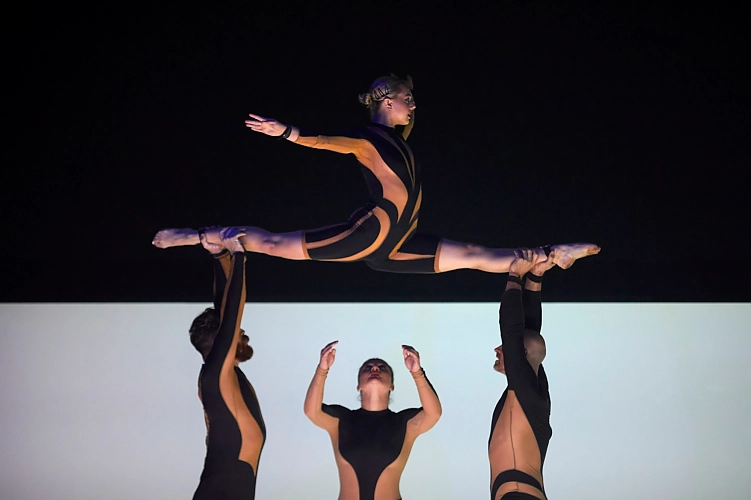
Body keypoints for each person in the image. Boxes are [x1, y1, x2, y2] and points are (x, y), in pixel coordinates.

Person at [152, 75, 600, 273]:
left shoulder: (400, 140)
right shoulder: (368, 138)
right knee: (270, 244)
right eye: (407, 99)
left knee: (473, 254)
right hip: (368, 235)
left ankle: (551, 253)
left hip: (396, 245)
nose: (413, 105)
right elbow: (322, 141)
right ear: (387, 101)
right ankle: (194, 235)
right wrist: (285, 131)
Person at [304, 341, 441, 500]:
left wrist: (417, 373)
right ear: (358, 386)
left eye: (382, 368)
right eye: (367, 368)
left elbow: (433, 414)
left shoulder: (404, 423)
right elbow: (311, 411)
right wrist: (322, 369)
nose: (375, 369)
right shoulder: (341, 419)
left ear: (392, 386)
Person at [189, 228, 265, 500]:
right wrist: (238, 256)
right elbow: (231, 313)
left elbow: (224, 310)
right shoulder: (214, 376)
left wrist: (219, 255)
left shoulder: (221, 375)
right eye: (235, 332)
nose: (241, 331)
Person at [489, 249, 556, 500]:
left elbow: (516, 332)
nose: (498, 349)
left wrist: (515, 275)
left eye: (504, 347)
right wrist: (535, 277)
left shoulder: (527, 393)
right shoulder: (529, 393)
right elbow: (526, 333)